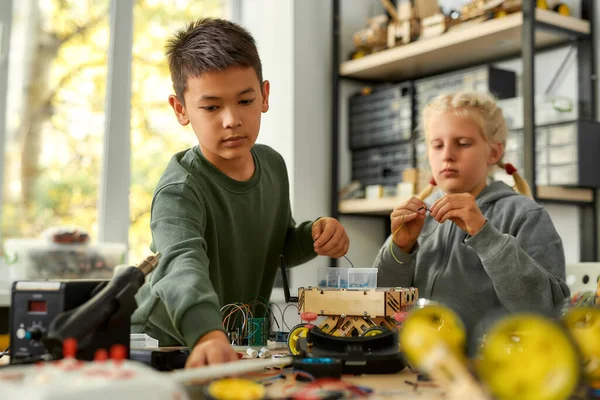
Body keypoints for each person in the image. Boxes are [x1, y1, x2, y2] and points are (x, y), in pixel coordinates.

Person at [131, 18, 350, 368]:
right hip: (165, 344)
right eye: (212, 107)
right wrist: (207, 333)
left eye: (245, 100)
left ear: (264, 96)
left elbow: (275, 246)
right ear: (181, 110)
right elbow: (180, 268)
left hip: (233, 344)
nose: (231, 119)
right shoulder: (179, 190)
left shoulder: (273, 165)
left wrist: (315, 235)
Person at [374, 91, 569, 339]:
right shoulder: (419, 218)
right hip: (416, 365)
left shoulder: (526, 215)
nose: (447, 155)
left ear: (494, 153)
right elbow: (378, 304)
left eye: (463, 143)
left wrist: (485, 236)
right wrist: (399, 248)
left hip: (491, 368)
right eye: (437, 145)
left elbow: (547, 311)